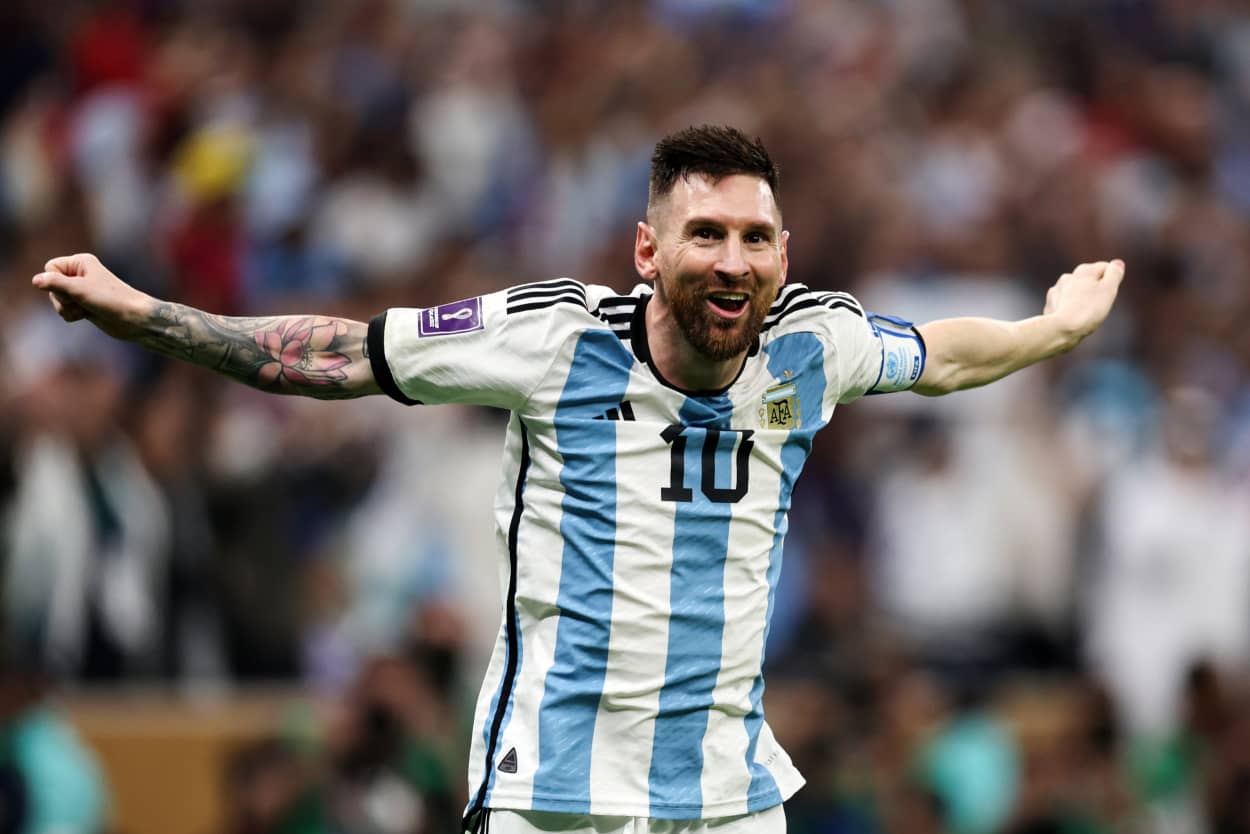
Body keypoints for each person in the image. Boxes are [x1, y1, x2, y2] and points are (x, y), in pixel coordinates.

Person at [31, 125, 1124, 834]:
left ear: (784, 254)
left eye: (755, 237)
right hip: (550, 798)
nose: (732, 260)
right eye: (704, 233)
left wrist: (1050, 328)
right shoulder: (551, 339)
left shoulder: (813, 347)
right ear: (647, 251)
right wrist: (146, 317)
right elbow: (339, 356)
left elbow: (943, 355)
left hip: (728, 799)